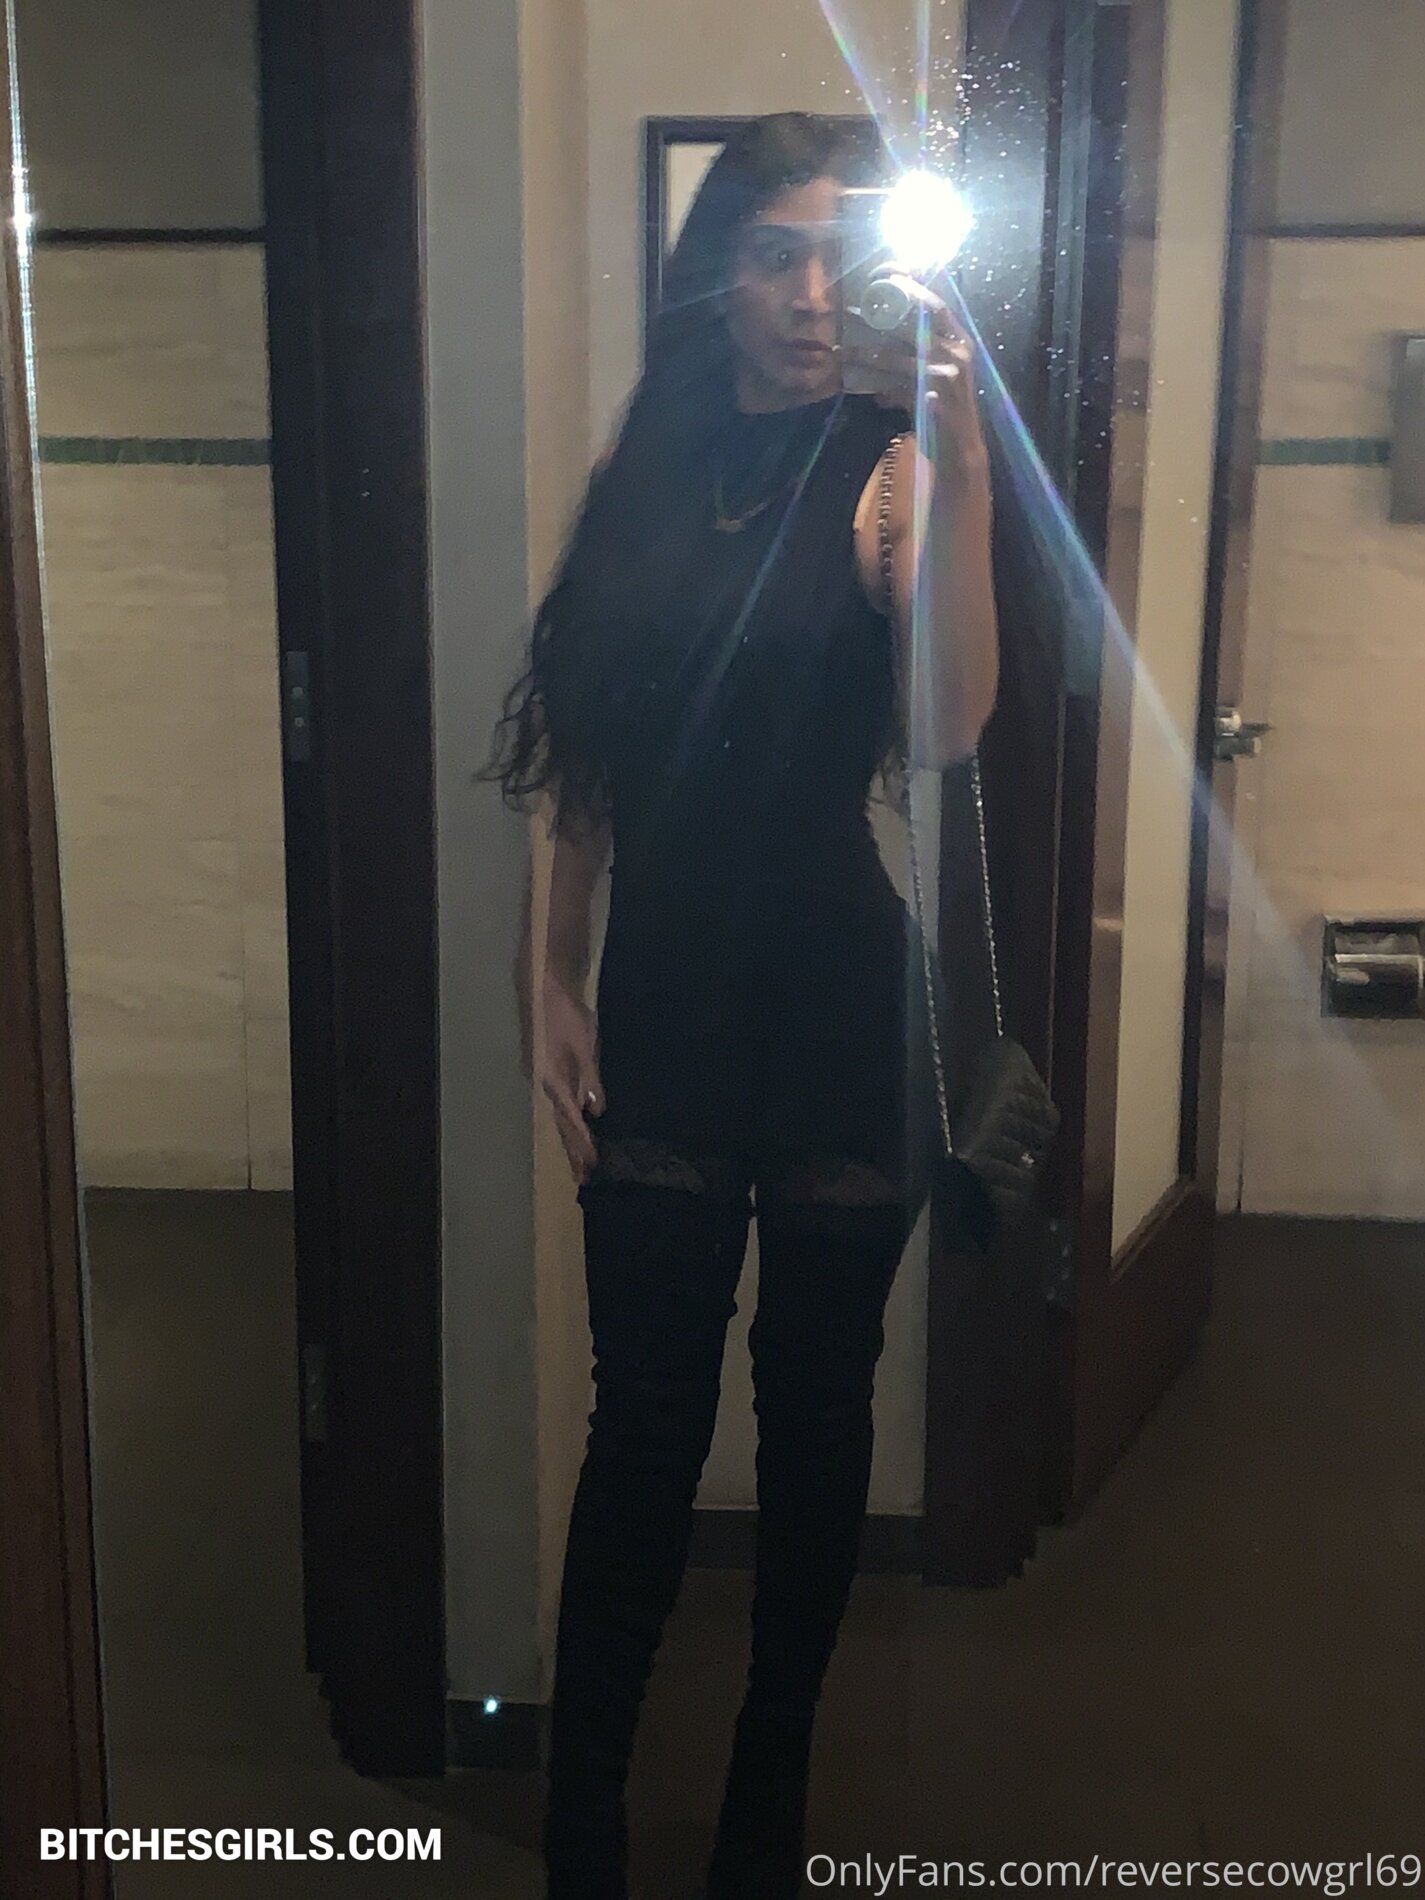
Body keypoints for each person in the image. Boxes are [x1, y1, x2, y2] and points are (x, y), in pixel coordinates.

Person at [484, 111, 998, 1900]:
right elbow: (591, 758)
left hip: (837, 1013)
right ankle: (584, 1817)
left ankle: (766, 1801)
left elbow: (946, 725)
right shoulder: (642, 460)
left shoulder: (888, 469)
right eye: (775, 254)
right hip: (666, 1006)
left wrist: (965, 459)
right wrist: (551, 969)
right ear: (717, 272)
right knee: (641, 1421)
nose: (808, 294)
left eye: (841, 258)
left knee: (813, 1417)